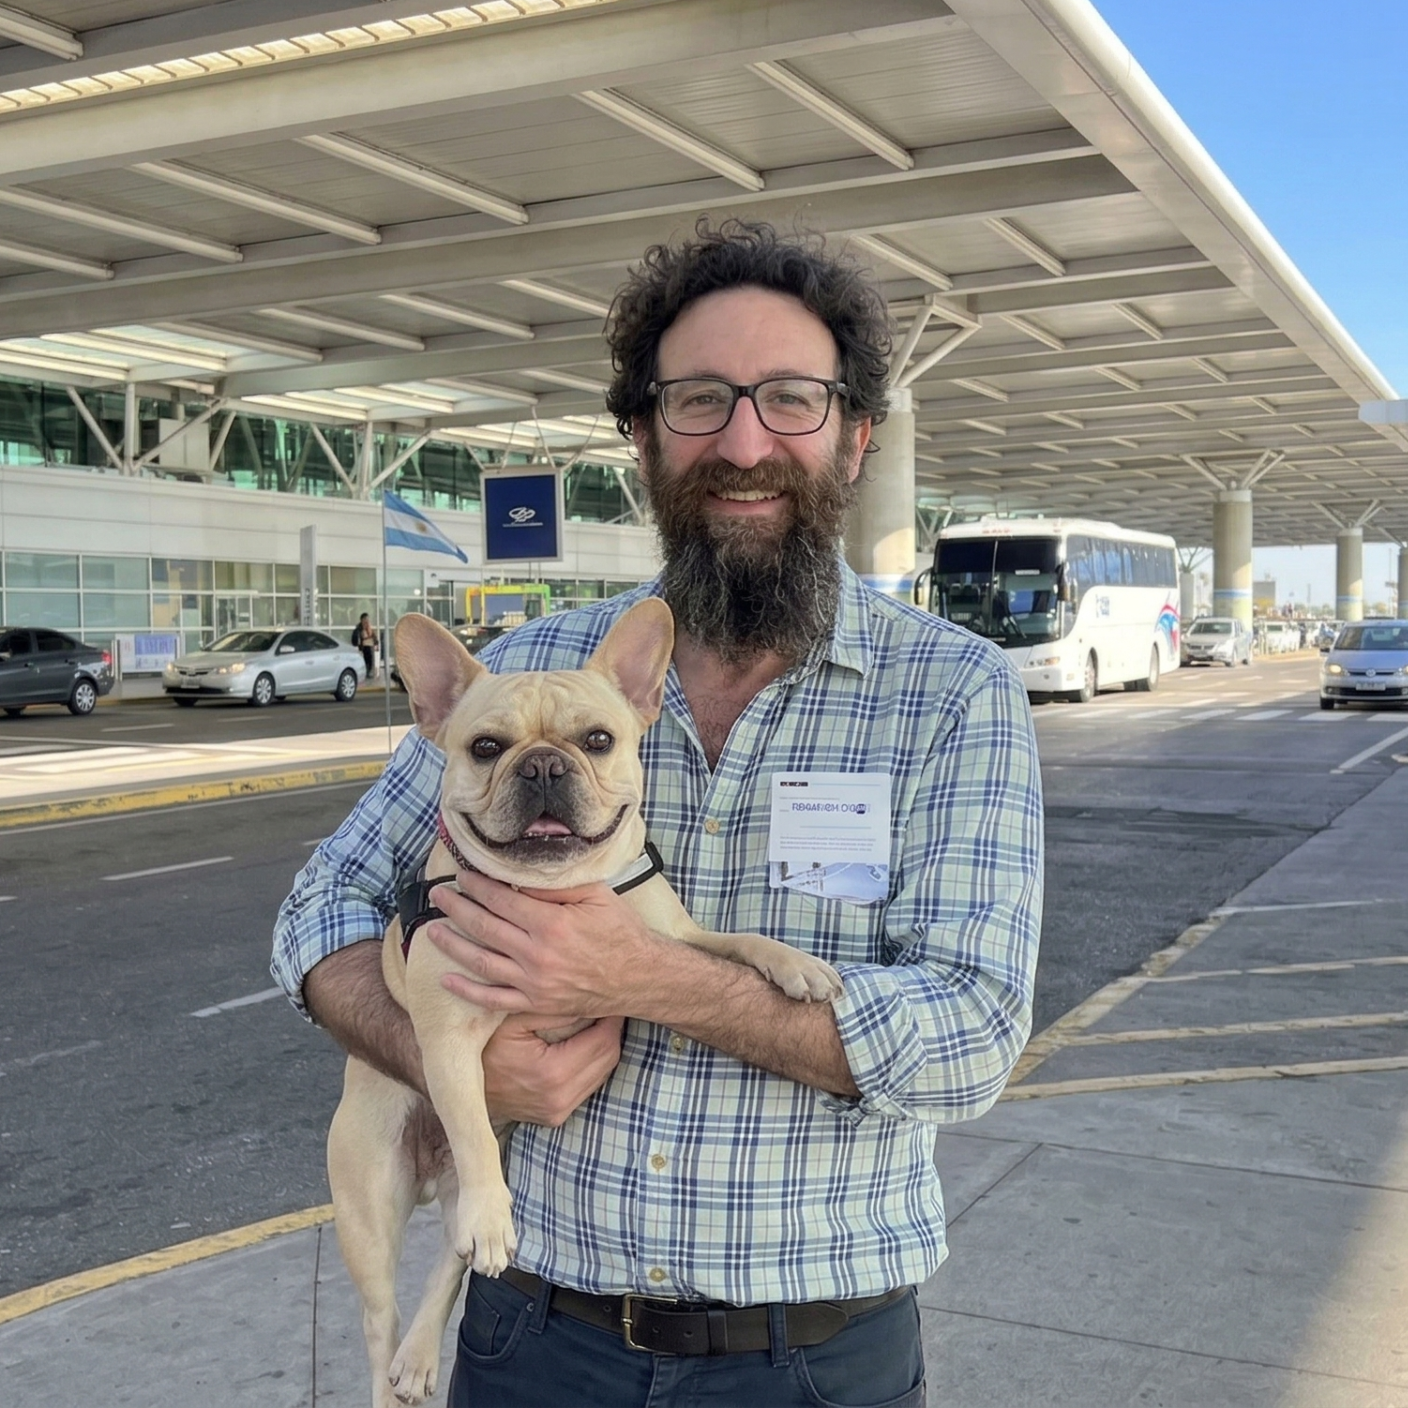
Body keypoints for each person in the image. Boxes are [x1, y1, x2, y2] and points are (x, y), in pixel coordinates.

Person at [273, 219, 1043, 1408]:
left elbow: (973, 1033)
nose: (743, 440)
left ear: (855, 435)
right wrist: (446, 1056)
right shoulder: (528, 668)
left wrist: (646, 974)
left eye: (789, 398)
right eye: (698, 401)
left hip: (812, 1354)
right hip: (531, 1328)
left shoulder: (957, 693)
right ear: (642, 436)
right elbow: (316, 908)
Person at [352, 612, 377, 681]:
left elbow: (374, 637)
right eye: (365, 619)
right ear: (362, 620)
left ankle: (369, 671)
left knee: (370, 658)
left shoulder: (369, 628)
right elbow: (355, 640)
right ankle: (366, 671)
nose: (367, 621)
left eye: (368, 619)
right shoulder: (358, 629)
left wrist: (375, 642)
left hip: (370, 646)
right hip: (363, 648)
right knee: (366, 657)